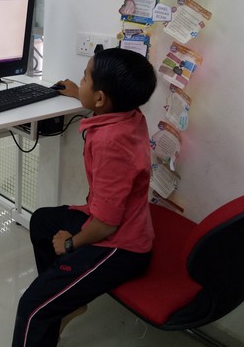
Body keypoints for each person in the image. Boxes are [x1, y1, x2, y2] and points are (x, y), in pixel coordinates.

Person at [12, 47, 157, 347]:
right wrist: (79, 93)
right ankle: (66, 302)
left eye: (85, 77)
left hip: (121, 246)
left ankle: (53, 306)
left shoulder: (111, 144)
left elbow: (106, 224)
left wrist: (70, 243)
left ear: (101, 99)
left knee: (32, 308)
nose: (81, 81)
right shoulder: (128, 114)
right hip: (114, 219)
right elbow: (103, 101)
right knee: (42, 221)